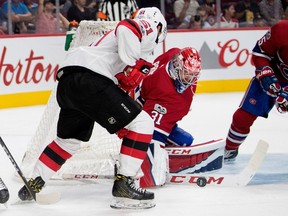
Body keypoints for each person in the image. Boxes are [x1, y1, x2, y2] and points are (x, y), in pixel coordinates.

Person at [17, 7, 167, 209]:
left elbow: (121, 86)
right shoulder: (150, 27)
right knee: (143, 123)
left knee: (67, 141)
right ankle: (125, 184)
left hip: (69, 82)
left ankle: (33, 184)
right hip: (92, 80)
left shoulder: (112, 44)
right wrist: (133, 62)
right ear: (159, 26)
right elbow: (126, 27)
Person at [136, 47, 202, 187]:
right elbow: (152, 133)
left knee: (186, 140)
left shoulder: (173, 54)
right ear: (177, 66)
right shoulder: (166, 93)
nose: (189, 79)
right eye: (186, 73)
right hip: (138, 107)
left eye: (193, 74)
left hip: (146, 97)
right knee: (150, 136)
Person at [224, 20, 288, 161]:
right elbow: (259, 54)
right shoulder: (282, 29)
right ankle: (229, 151)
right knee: (242, 118)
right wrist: (265, 73)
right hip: (274, 76)